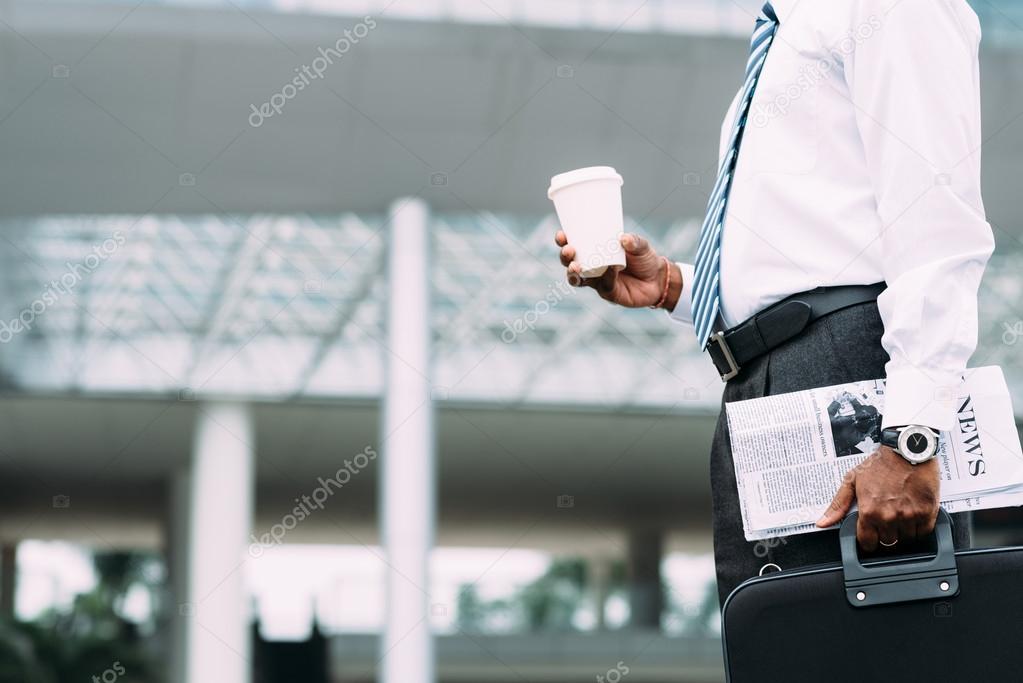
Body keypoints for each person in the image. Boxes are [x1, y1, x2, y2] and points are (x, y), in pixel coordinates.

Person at [555, 0, 994, 606]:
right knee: (785, 639)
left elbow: (937, 225)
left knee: (885, 641)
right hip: (769, 376)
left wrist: (911, 435)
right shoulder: (789, 30)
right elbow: (812, 246)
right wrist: (676, 287)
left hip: (852, 373)